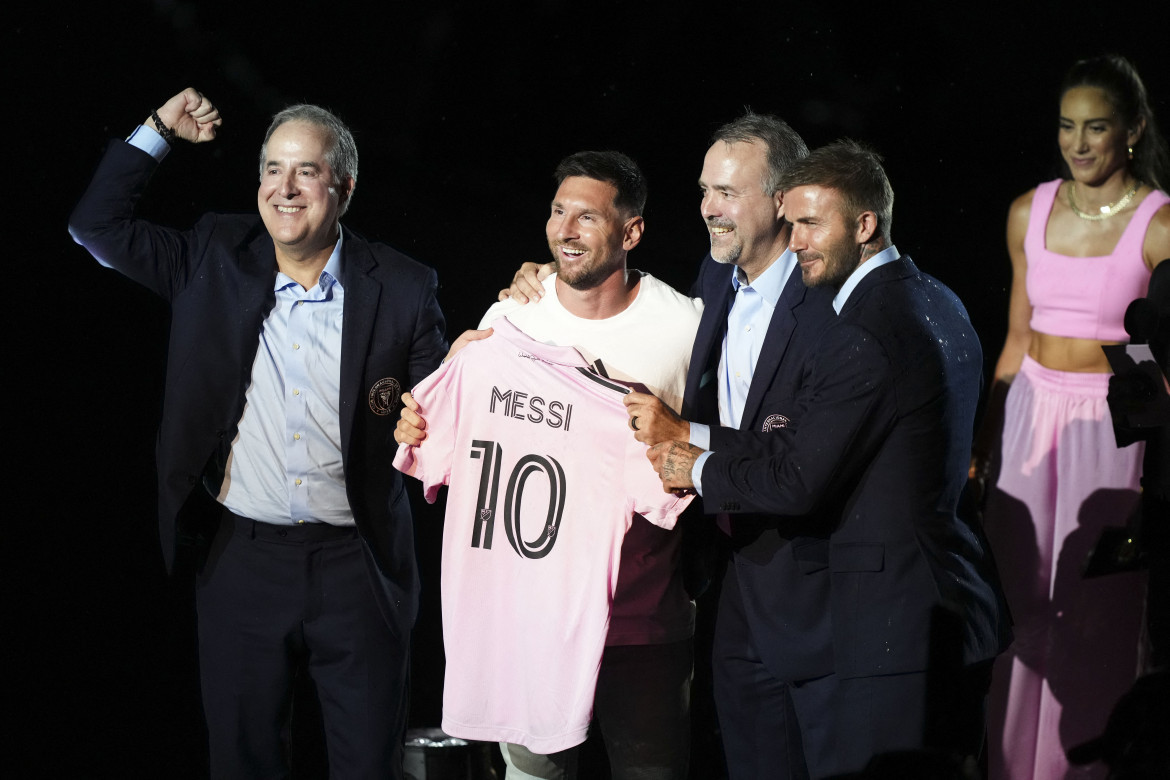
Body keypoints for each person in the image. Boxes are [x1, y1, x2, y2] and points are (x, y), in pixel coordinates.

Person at [69, 88, 448, 778]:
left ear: (344, 186)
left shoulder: (401, 285)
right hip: (241, 561)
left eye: (305, 170)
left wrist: (431, 422)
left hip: (357, 565)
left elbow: (444, 410)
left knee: (369, 765)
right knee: (242, 763)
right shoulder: (215, 253)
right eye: (272, 169)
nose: (285, 188)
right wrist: (158, 131)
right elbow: (96, 227)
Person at [645, 140, 1008, 778]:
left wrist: (694, 466)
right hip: (942, 609)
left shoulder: (862, 333)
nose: (796, 239)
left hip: (896, 629)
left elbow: (795, 478)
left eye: (812, 223)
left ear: (864, 225)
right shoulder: (940, 300)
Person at [503, 113, 838, 778]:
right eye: (705, 190)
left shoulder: (822, 304)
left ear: (781, 200)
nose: (710, 208)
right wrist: (539, 290)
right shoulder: (713, 284)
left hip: (788, 576)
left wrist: (686, 439)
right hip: (719, 575)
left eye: (728, 193)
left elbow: (801, 455)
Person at [397, 151, 703, 779]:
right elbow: (441, 436)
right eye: (558, 212)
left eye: (586, 217)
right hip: (527, 624)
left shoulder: (686, 329)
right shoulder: (509, 320)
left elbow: (712, 454)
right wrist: (422, 421)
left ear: (631, 231)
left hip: (642, 627)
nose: (565, 230)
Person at [972, 54, 1170, 779]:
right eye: (1067, 127)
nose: (1079, 143)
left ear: (1133, 130)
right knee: (1026, 605)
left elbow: (1161, 359)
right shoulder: (1031, 208)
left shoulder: (1159, 225)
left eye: (1097, 127)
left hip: (1107, 430)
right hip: (1030, 410)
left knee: (1099, 611)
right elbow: (1016, 336)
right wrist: (985, 443)